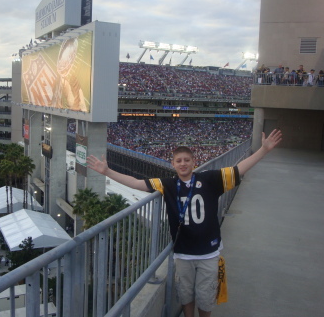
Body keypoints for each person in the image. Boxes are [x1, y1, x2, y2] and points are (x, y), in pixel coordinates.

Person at [87, 129, 282, 317]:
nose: (183, 164)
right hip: (183, 252)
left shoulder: (210, 179)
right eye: (179, 161)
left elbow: (238, 169)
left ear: (194, 162)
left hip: (208, 252)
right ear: (172, 164)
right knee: (186, 294)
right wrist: (107, 172)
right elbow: (137, 183)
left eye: (186, 160)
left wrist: (263, 150)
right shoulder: (168, 184)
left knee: (206, 297)